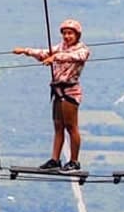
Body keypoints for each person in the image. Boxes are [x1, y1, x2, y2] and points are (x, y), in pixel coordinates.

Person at [14, 18, 91, 172]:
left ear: (77, 35)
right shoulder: (60, 47)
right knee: (58, 126)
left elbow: (76, 57)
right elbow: (44, 53)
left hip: (70, 91)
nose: (67, 36)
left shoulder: (82, 49)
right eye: (65, 33)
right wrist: (25, 51)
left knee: (71, 126)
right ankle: (55, 159)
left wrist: (55, 57)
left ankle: (74, 161)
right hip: (57, 90)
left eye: (70, 33)